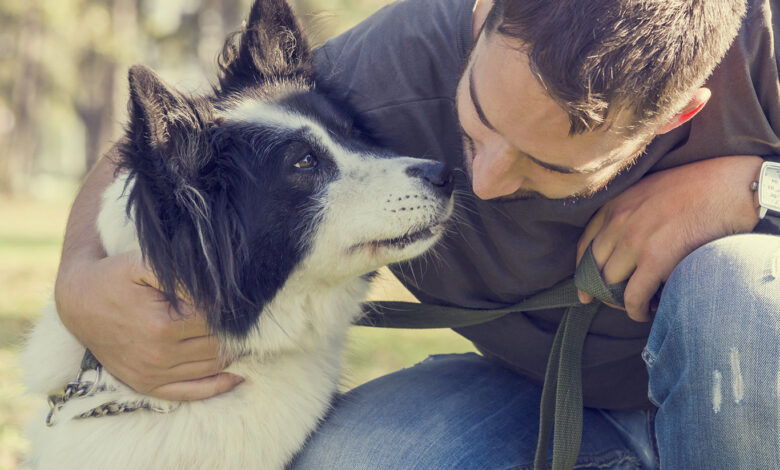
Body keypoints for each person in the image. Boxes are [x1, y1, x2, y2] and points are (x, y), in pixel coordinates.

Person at [55, 0, 779, 468]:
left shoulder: (764, 50)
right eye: (477, 122)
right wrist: (77, 280)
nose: (485, 181)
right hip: (534, 402)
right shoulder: (396, 59)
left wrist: (748, 188)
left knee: (737, 289)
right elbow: (194, 132)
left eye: (545, 165)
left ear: (675, 116)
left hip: (752, 403)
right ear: (485, 12)